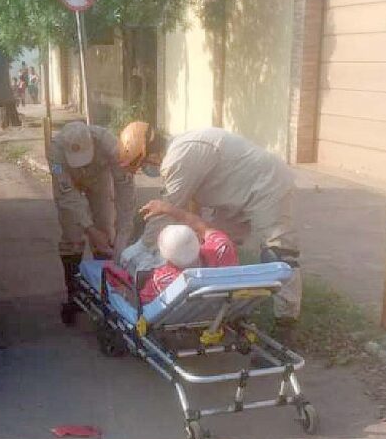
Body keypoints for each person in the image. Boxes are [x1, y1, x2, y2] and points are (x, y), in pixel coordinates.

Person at [120, 123, 302, 341]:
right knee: (213, 250)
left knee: (277, 252)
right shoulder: (182, 154)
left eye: (142, 165)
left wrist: (141, 248)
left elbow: (165, 211)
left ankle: (286, 323)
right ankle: (215, 306)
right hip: (235, 195)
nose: (146, 170)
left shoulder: (179, 158)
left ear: (150, 154)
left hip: (268, 185)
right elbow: (189, 210)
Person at [50, 121, 139, 325]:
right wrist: (89, 230)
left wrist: (123, 234)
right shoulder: (55, 151)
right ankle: (74, 292)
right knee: (72, 235)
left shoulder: (110, 144)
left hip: (100, 179)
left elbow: (125, 191)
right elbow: (67, 195)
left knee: (106, 229)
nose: (82, 164)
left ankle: (104, 289)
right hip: (70, 183)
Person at [136, 201, 239, 303]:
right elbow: (202, 226)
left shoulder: (161, 281)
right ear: (198, 240)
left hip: (185, 317)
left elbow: (144, 306)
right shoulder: (222, 248)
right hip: (222, 310)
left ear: (166, 259)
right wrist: (168, 208)